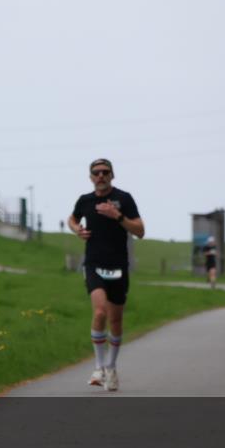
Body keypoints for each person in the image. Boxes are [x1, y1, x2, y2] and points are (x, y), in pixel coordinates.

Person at [67, 158, 145, 392]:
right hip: (93, 263)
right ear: (90, 177)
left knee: (115, 320)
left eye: (105, 172)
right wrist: (76, 229)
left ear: (112, 175)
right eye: (96, 173)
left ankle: (111, 367)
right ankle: (99, 367)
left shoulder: (124, 198)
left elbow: (140, 231)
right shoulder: (85, 200)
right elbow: (72, 219)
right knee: (99, 311)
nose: (100, 176)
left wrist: (117, 216)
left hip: (119, 265)